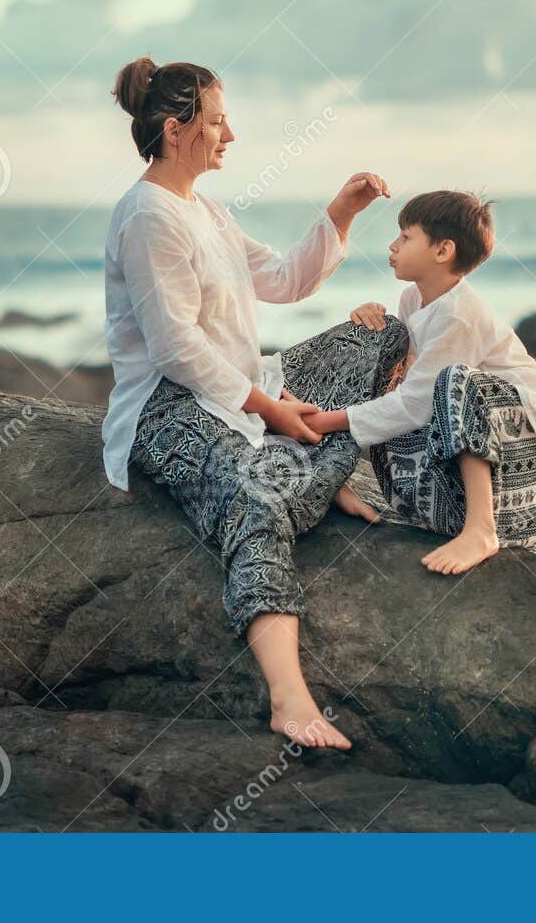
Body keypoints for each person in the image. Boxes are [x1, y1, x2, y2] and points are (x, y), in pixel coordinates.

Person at [102, 57, 407, 750]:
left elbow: (282, 277)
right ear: (176, 131)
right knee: (258, 499)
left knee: (380, 337)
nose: (230, 135)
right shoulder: (148, 216)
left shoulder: (203, 209)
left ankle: (316, 474)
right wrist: (273, 414)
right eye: (217, 122)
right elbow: (176, 348)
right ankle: (289, 697)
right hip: (170, 410)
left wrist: (343, 211)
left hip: (245, 394)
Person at [306, 190, 536, 575]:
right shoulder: (411, 300)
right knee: (383, 343)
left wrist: (324, 421)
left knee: (454, 382)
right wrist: (373, 323)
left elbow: (416, 404)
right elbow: (405, 385)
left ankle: (481, 529)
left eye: (405, 237)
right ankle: (329, 475)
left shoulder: (459, 315)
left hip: (529, 458)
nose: (392, 245)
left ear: (443, 250)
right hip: (464, 486)